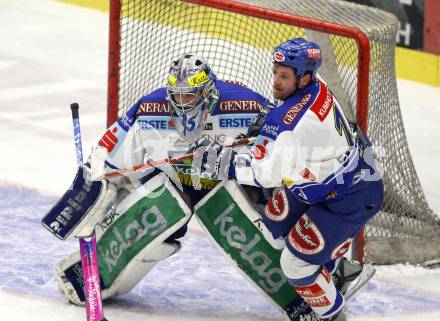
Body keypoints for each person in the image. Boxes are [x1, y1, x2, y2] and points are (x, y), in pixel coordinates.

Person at [45, 54, 272, 305]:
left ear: (207, 92)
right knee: (160, 208)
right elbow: (105, 155)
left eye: (190, 95)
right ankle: (98, 273)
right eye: (177, 95)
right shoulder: (150, 107)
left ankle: (301, 287)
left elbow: (281, 142)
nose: (183, 103)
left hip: (227, 180)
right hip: (174, 182)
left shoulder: (246, 104)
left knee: (267, 199)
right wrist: (88, 192)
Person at [188, 38, 384, 320]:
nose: (276, 82)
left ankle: (334, 315)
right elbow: (285, 144)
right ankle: (336, 271)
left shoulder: (289, 124)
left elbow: (266, 174)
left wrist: (225, 163)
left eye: (284, 76)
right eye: (276, 73)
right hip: (325, 180)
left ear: (304, 78)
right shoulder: (318, 88)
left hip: (348, 199)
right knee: (274, 221)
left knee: (294, 265)